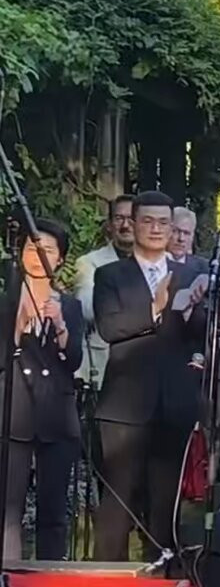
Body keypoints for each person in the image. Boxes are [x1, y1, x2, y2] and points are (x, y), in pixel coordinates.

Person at [92, 191, 209, 562]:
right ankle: (107, 575)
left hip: (174, 401)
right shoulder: (111, 274)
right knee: (119, 498)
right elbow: (109, 327)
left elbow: (203, 333)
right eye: (148, 221)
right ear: (132, 223)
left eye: (164, 222)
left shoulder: (190, 274)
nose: (156, 229)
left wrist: (194, 311)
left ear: (173, 227)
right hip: (125, 405)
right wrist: (154, 309)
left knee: (166, 501)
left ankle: (163, 571)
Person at [0, 219, 83, 560]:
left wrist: (61, 327)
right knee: (9, 509)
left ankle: (52, 575)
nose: (38, 256)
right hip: (14, 411)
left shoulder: (70, 305)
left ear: (60, 258)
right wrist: (16, 327)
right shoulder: (6, 301)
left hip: (56, 413)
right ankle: (8, 571)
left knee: (54, 513)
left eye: (47, 249)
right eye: (32, 248)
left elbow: (74, 360)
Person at [74, 194, 135, 385]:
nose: (125, 225)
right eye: (119, 218)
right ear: (109, 224)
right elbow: (87, 308)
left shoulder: (157, 263)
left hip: (144, 366)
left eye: (131, 218)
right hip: (101, 367)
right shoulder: (89, 262)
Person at [167, 206, 208, 276]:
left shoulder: (203, 269)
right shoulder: (151, 262)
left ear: (192, 236)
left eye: (186, 233)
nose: (181, 239)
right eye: (176, 231)